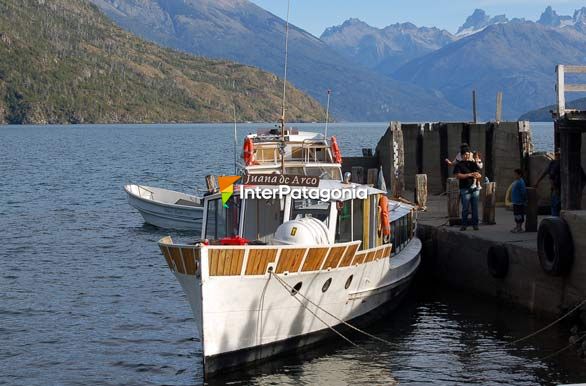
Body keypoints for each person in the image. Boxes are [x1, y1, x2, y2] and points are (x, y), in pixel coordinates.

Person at [454, 148, 482, 231]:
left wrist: (478, 175)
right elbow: (457, 175)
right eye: (465, 154)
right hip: (465, 188)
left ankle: (475, 225)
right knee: (465, 208)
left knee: (475, 207)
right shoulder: (459, 165)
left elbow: (479, 173)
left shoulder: (473, 163)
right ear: (462, 155)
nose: (467, 156)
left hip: (475, 188)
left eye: (468, 154)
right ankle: (464, 225)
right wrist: (469, 175)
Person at [534, 150, 561, 216]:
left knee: (556, 205)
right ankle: (555, 220)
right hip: (556, 188)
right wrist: (537, 182)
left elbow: (548, 175)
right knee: (554, 205)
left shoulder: (559, 164)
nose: (557, 156)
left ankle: (556, 219)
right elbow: (546, 174)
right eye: (556, 154)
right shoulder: (553, 163)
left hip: (560, 188)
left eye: (558, 155)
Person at [511, 169, 527, 233]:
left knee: (519, 215)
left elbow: (523, 192)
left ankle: (519, 227)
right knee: (516, 214)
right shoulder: (516, 181)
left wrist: (524, 199)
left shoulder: (521, 182)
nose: (514, 175)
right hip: (515, 201)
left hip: (519, 202)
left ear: (519, 174)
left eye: (515, 174)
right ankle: (517, 226)